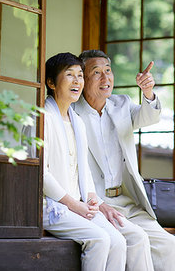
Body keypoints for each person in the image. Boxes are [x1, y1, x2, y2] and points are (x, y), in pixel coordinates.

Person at [72, 50, 175, 271]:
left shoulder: (121, 104)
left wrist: (148, 92)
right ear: (83, 78)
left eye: (108, 71)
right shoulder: (73, 112)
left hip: (126, 201)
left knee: (169, 244)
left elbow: (149, 116)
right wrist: (95, 203)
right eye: (96, 72)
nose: (106, 78)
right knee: (138, 240)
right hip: (95, 201)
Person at [42, 52, 126, 271]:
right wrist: (73, 204)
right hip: (51, 206)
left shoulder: (77, 121)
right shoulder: (41, 117)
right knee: (100, 239)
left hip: (77, 205)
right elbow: (40, 173)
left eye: (80, 75)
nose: (77, 81)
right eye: (69, 75)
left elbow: (83, 169)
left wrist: (90, 198)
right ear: (51, 82)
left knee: (118, 241)